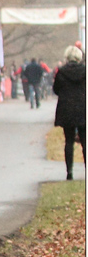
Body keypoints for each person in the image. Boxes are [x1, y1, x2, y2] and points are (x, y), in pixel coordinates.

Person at [53, 45, 86, 180]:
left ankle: (69, 172)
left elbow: (56, 89)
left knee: (69, 141)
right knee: (85, 141)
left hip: (67, 109)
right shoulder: (85, 71)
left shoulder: (61, 72)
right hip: (83, 108)